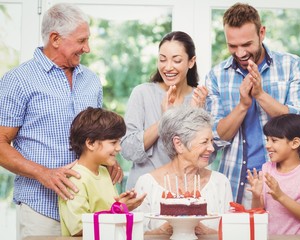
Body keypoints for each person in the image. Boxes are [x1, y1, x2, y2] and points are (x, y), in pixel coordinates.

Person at [0, 3, 123, 239]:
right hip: (42, 209)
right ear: (55, 38)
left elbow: (97, 137)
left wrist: (108, 159)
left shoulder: (91, 80)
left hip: (89, 209)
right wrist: (43, 173)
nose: (87, 48)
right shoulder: (18, 80)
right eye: (81, 41)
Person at [205, 2, 300, 207]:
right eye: (232, 46)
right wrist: (243, 105)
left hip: (285, 182)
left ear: (262, 33)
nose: (240, 53)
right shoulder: (217, 76)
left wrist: (260, 95)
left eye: (246, 44)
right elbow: (216, 138)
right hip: (238, 183)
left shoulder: (291, 66)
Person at [121, 31, 208, 189]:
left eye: (176, 60)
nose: (168, 67)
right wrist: (165, 119)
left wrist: (196, 116)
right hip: (143, 192)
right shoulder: (142, 93)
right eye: (162, 59)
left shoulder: (199, 99)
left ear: (191, 61)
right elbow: (128, 150)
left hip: (184, 192)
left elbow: (207, 155)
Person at [134, 105, 233, 235]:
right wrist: (162, 232)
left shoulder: (220, 183)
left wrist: (207, 233)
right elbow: (134, 235)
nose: (212, 148)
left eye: (211, 141)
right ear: (178, 144)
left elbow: (232, 233)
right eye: (204, 142)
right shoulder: (146, 184)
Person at [59, 107, 146, 236]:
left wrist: (123, 205)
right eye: (113, 142)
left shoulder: (104, 172)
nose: (119, 148)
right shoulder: (75, 179)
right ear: (90, 143)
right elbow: (78, 229)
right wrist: (119, 208)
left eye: (119, 142)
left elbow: (108, 213)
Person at [247, 113, 300, 235]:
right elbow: (258, 213)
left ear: (294, 143)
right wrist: (256, 196)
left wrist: (280, 196)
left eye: (274, 140)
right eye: (267, 140)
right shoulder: (267, 168)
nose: (267, 145)